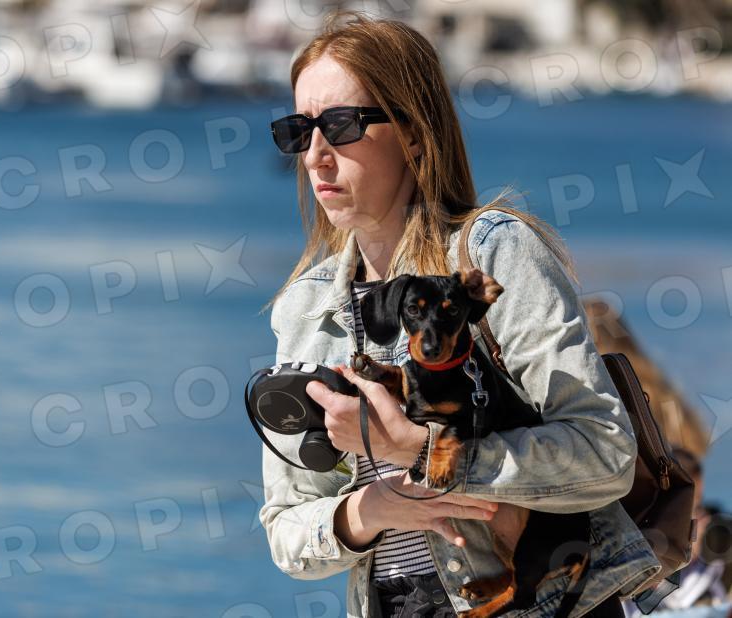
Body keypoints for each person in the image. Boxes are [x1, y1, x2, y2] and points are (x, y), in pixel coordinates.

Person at [258, 9, 661, 618]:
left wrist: (424, 454)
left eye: (340, 125)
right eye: (299, 129)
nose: (315, 155)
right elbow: (286, 531)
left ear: (415, 133)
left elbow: (604, 454)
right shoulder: (305, 309)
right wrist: (368, 510)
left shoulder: (494, 254)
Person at [623, 448, 729, 617]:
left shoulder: (705, 569)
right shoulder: (633, 557)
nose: (700, 517)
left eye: (699, 505)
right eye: (692, 506)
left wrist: (692, 556)